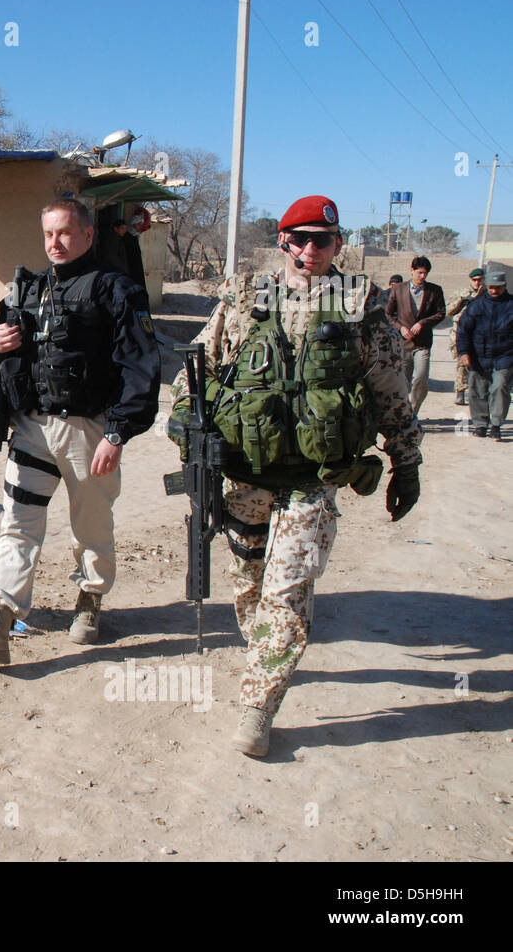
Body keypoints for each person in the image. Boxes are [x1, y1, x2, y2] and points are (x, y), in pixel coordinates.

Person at [169, 195, 422, 758]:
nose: (312, 250)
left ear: (338, 244)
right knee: (250, 581)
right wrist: (187, 424)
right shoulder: (242, 296)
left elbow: (389, 390)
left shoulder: (360, 305)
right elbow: (199, 368)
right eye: (301, 238)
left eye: (324, 240)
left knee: (289, 588)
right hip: (246, 473)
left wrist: (406, 460)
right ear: (283, 240)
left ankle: (259, 703)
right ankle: (264, 650)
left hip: (315, 476)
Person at [0, 198, 160, 664]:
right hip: (31, 428)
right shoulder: (26, 289)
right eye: (47, 234)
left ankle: (90, 599)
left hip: (89, 431)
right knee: (17, 525)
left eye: (64, 233)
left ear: (86, 235)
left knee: (91, 525)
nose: (55, 243)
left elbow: (141, 368)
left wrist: (117, 433)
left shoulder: (115, 290)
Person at [385, 255, 446, 415]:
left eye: (425, 273)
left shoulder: (435, 290)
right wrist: (400, 328)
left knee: (421, 377)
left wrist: (423, 323)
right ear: (412, 271)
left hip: (422, 344)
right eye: (420, 272)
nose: (423, 276)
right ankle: (403, 412)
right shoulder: (398, 289)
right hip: (403, 344)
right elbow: (388, 314)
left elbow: (441, 313)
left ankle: (413, 411)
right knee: (403, 382)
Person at [456, 270, 513, 441]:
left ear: (505, 286)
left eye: (498, 288)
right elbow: (463, 331)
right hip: (478, 355)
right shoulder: (476, 305)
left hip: (505, 355)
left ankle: (496, 424)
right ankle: (480, 424)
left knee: (500, 387)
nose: (494, 291)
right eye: (491, 288)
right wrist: (464, 352)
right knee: (477, 390)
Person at [446, 268, 486, 406]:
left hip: (480, 333)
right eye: (474, 280)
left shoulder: (487, 294)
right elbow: (449, 311)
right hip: (460, 333)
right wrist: (461, 301)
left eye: (480, 280)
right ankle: (460, 392)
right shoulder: (461, 293)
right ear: (470, 280)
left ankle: (479, 392)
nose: (477, 282)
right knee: (462, 363)